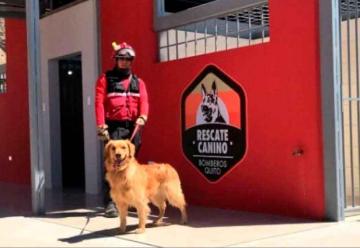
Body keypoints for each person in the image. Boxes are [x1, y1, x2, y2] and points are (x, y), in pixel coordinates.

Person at [95, 41, 149, 217]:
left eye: (128, 59)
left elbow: (144, 102)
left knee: (130, 165)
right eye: (121, 59)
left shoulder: (138, 82)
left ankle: (127, 199)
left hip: (133, 128)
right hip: (114, 128)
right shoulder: (105, 79)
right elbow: (99, 103)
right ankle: (111, 202)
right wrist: (101, 124)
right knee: (113, 166)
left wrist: (143, 116)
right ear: (116, 60)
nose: (125, 62)